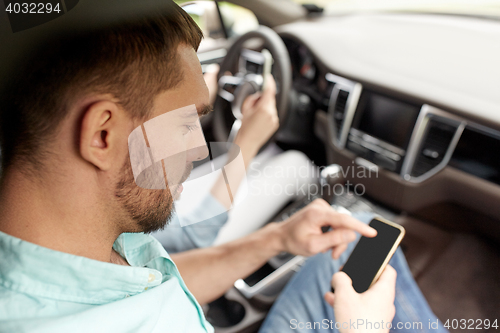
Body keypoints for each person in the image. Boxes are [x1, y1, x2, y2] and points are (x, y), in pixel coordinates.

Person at [0, 1, 446, 332]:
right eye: (187, 123)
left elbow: (159, 276)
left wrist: (279, 238)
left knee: (358, 231)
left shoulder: (89, 240)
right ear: (103, 135)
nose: (199, 151)